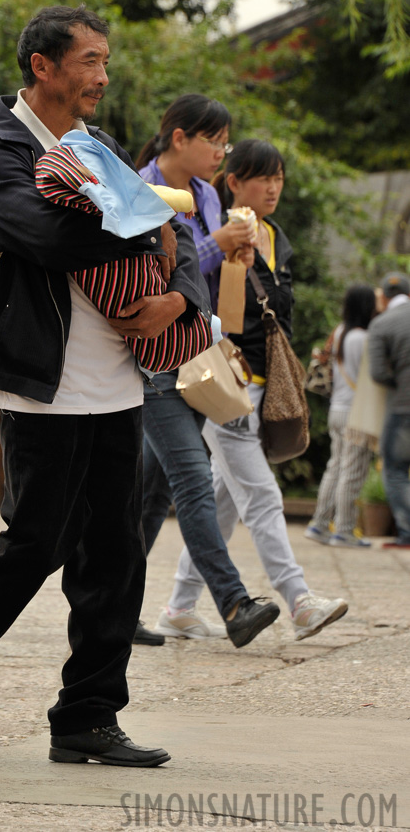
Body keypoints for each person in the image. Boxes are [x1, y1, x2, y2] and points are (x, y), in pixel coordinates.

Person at [0, 5, 211, 768]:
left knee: (115, 553)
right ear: (44, 67)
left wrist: (177, 299)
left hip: (119, 382)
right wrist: (146, 221)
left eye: (104, 60)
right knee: (35, 545)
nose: (103, 75)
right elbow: (45, 236)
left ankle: (87, 715)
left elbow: (178, 237)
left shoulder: (97, 146)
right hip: (42, 383)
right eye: (90, 61)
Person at [157, 139, 349, 642]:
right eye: (262, 176)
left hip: (265, 383)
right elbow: (213, 305)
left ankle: (179, 606)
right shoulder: (222, 234)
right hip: (226, 384)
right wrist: (226, 249)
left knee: (222, 501)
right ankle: (300, 599)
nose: (273, 186)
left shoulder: (274, 236)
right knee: (261, 495)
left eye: (279, 177)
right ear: (235, 182)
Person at [134, 96, 281, 648]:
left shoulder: (204, 197)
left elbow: (205, 277)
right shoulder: (140, 188)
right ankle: (235, 602)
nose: (222, 152)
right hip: (154, 364)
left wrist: (230, 255)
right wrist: (214, 246)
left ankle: (110, 605)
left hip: (196, 358)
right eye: (214, 141)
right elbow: (158, 266)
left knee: (149, 498)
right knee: (194, 481)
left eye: (224, 142)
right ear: (179, 138)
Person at [306, 285, 376, 548]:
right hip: (356, 413)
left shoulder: (339, 332)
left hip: (337, 408)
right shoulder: (364, 337)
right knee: (353, 471)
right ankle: (344, 529)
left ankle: (319, 524)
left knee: (335, 467)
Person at [368, 271, 410, 549]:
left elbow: (379, 373)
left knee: (395, 469)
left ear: (383, 296)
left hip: (403, 407)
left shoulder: (381, 325)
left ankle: (407, 532)